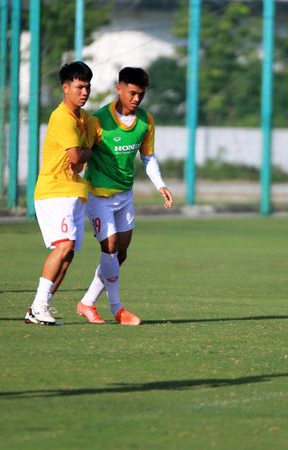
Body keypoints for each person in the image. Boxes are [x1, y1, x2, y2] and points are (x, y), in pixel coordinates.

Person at [76, 67, 172, 326]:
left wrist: (160, 185)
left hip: (125, 196)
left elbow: (148, 157)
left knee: (120, 254)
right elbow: (81, 155)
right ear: (119, 88)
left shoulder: (145, 121)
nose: (137, 99)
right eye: (132, 93)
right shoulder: (98, 121)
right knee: (109, 248)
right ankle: (118, 309)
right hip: (99, 196)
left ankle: (86, 302)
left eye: (141, 94)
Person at [24, 61, 93, 326]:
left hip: (74, 190)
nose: (84, 92)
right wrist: (90, 151)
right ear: (65, 88)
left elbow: (81, 159)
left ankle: (38, 308)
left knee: (69, 252)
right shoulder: (62, 117)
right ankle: (39, 305)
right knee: (63, 245)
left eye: (87, 86)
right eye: (79, 86)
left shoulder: (83, 117)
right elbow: (78, 156)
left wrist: (85, 153)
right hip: (54, 190)